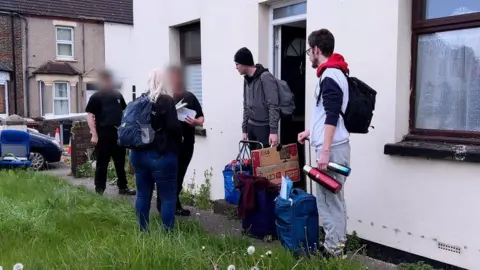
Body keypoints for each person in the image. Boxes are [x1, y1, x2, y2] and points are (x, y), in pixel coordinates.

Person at [298, 29, 350, 257]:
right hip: (335, 146)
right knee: (334, 200)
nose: (309, 55)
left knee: (329, 202)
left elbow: (332, 116)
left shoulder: (329, 75)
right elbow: (328, 114)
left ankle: (332, 252)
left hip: (333, 150)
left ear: (317, 50)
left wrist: (325, 151)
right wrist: (311, 131)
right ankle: (337, 246)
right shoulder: (335, 73)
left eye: (309, 50)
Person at [130, 69, 182, 231]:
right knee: (167, 198)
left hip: (138, 155)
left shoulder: (139, 101)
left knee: (143, 195)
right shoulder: (166, 100)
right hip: (161, 156)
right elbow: (174, 127)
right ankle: (167, 235)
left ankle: (142, 231)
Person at [156, 65, 204, 217]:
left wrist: (196, 122)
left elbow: (201, 117)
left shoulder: (189, 96)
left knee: (179, 175)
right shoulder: (163, 98)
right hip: (169, 144)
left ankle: (174, 205)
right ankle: (162, 205)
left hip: (187, 143)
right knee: (167, 174)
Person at [86, 70, 136, 195]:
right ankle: (99, 190)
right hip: (103, 135)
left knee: (120, 163)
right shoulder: (95, 97)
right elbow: (90, 116)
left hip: (118, 134)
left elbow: (124, 113)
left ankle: (123, 187)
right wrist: (94, 134)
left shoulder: (117, 95)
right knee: (102, 164)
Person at [234, 47, 279, 149]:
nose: (236, 67)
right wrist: (244, 129)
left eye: (237, 64)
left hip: (264, 127)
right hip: (251, 126)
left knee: (266, 162)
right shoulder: (246, 80)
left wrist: (273, 131)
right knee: (254, 162)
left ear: (244, 63)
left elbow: (273, 105)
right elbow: (245, 105)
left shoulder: (265, 77)